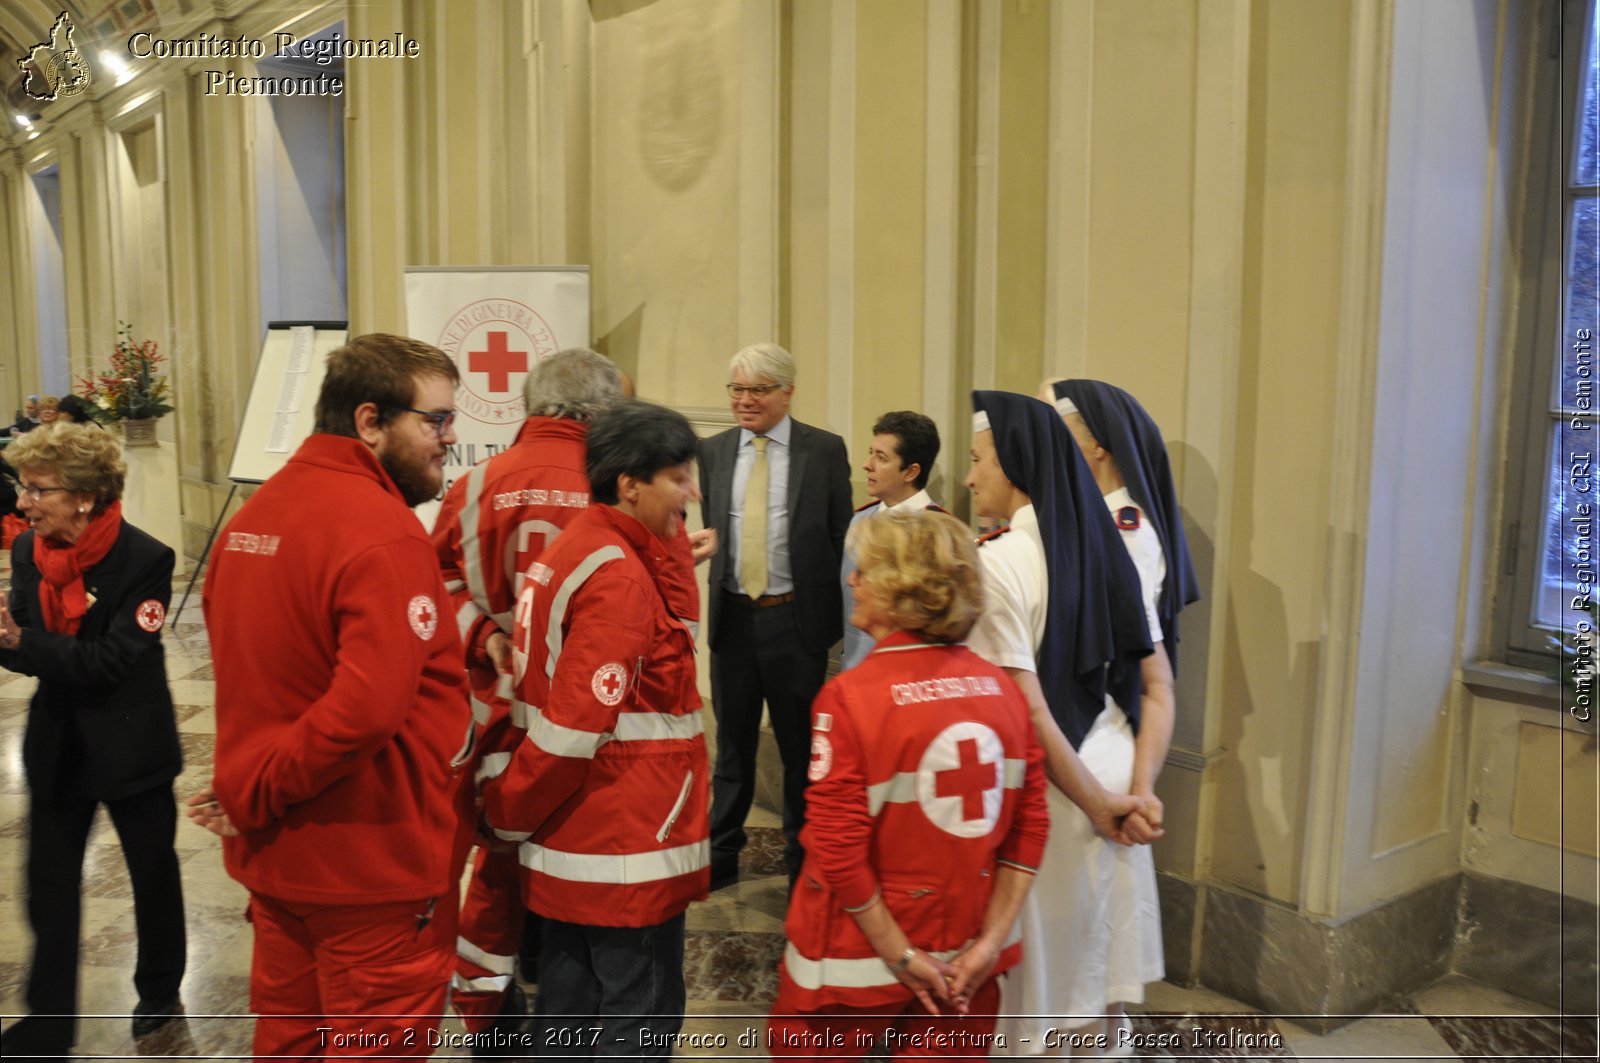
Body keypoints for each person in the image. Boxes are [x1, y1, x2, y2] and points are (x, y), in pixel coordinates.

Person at [192, 333, 472, 1059]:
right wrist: (254, 790)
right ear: (370, 421)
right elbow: (365, 713)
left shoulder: (252, 520)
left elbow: (258, 685)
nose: (450, 437)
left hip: (279, 862)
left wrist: (251, 790)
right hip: (367, 868)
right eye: (435, 420)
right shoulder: (384, 535)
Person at [769, 509, 1049, 1057]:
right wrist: (989, 945)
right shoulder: (1006, 694)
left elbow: (839, 850)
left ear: (902, 590)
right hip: (968, 958)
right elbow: (1031, 826)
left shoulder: (849, 699)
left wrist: (901, 958)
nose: (851, 580)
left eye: (866, 570)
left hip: (855, 958)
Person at [481, 399, 708, 1057]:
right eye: (677, 477)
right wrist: (508, 809)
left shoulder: (584, 542)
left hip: (580, 837)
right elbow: (574, 728)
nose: (690, 490)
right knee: (636, 1015)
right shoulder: (615, 576)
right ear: (629, 483)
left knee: (568, 1005)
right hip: (624, 841)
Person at [431, 347, 623, 1043]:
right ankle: (574, 1003)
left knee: (498, 856)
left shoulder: (476, 482)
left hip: (497, 707)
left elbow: (433, 587)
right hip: (589, 714)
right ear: (599, 413)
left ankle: (485, 1014)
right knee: (580, 852)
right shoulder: (616, 486)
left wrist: (485, 635)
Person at [961, 390, 1155, 1057]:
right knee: (1098, 973)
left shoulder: (998, 561)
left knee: (1040, 987)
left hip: (1053, 784)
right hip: (1112, 757)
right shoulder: (1108, 547)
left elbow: (1026, 706)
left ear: (1014, 462)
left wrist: (1097, 804)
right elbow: (1151, 681)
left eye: (978, 458)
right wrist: (1132, 792)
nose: (968, 476)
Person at [0, 422, 186, 1060]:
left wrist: (26, 643)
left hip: (131, 742)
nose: (23, 502)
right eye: (22, 488)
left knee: (152, 876)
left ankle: (159, 991)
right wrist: (7, 641)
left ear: (83, 496)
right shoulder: (29, 553)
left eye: (36, 489)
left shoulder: (145, 560)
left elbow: (112, 662)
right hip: (59, 742)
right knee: (47, 885)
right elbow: (27, 650)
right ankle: (47, 1023)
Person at [1030, 377, 1200, 1051]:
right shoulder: (1069, 520)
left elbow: (1152, 678)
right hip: (1070, 744)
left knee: (1083, 939)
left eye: (1050, 425)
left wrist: (1140, 787)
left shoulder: (1122, 530)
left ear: (1093, 446)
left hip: (1090, 742)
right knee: (1068, 934)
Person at [698, 342, 851, 889]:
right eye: (736, 389)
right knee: (732, 748)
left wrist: (835, 630)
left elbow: (840, 540)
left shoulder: (824, 451)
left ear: (787, 392)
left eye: (758, 390)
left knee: (800, 750)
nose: (744, 401)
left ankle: (802, 862)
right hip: (734, 620)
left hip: (796, 624)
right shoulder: (712, 452)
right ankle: (720, 857)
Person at [839, 411, 945, 670]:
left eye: (881, 458)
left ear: (911, 471)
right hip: (854, 670)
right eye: (871, 452)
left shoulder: (936, 534)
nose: (867, 464)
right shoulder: (860, 520)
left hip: (907, 679)